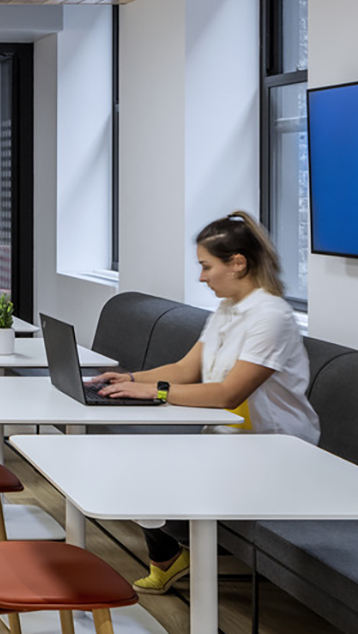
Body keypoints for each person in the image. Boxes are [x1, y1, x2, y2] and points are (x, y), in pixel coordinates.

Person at [90, 210, 320, 593]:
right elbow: (184, 368)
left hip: (276, 451)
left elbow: (229, 393)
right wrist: (129, 378)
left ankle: (170, 557)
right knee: (128, 460)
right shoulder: (227, 310)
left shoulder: (272, 316)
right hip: (229, 439)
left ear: (238, 264)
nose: (201, 277)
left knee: (142, 470)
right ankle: (169, 557)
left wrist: (155, 391)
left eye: (206, 266)